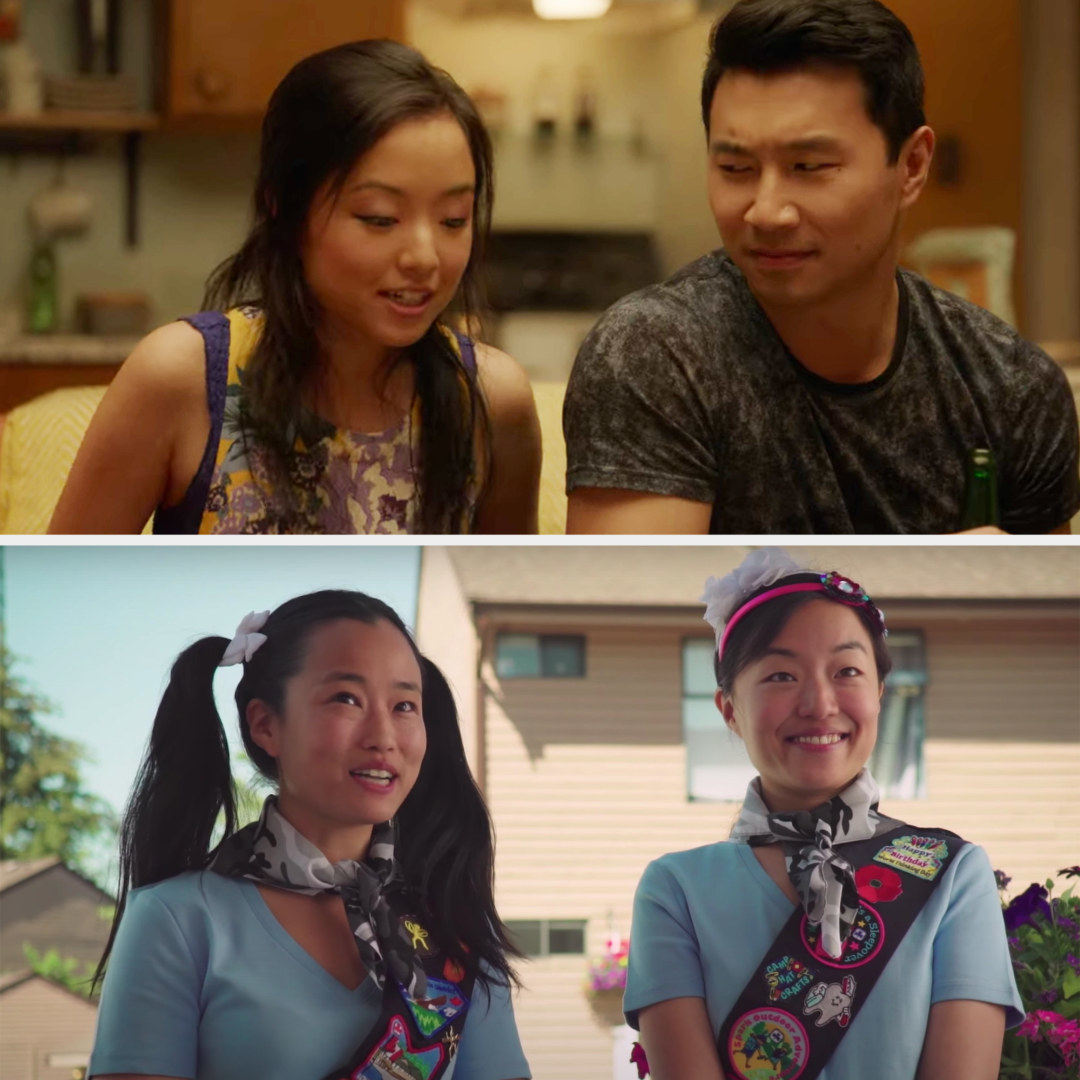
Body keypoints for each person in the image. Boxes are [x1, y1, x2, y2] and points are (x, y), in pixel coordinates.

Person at [563, 0, 1079, 535]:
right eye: (735, 168)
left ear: (911, 167)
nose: (766, 211)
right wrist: (931, 581)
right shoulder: (656, 355)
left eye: (808, 167)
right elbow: (642, 612)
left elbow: (1039, 616)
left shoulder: (1010, 388)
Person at [51, 41, 540, 535]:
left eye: (453, 220)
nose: (424, 257)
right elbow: (53, 600)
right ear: (283, 207)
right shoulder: (184, 379)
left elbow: (506, 604)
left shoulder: (492, 402)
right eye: (380, 218)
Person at [88, 590, 531, 1080]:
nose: (383, 735)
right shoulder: (176, 920)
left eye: (405, 705)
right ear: (265, 724)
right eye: (347, 699)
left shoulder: (457, 926)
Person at [624, 548, 1023, 1080]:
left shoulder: (953, 873)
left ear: (879, 695)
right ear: (729, 710)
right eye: (781, 676)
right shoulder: (675, 890)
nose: (818, 702)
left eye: (847, 671)